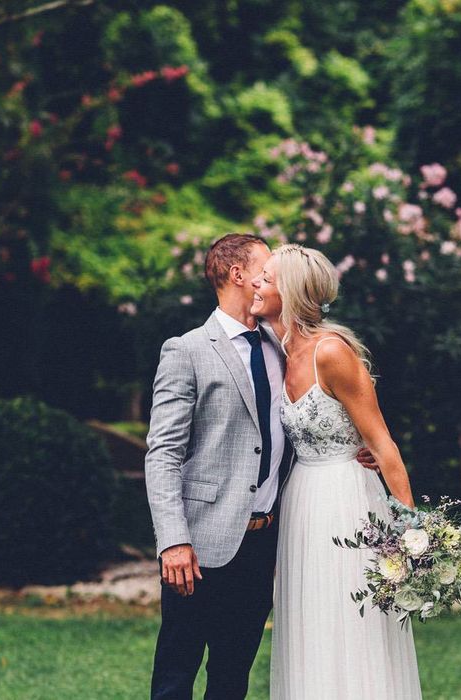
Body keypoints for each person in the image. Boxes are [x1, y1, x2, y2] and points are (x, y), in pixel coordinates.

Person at [144, 233, 376, 700]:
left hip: (265, 542)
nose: (275, 278)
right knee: (177, 672)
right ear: (238, 275)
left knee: (232, 677)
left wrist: (353, 445)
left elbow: (316, 415)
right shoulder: (186, 350)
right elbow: (163, 453)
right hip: (200, 545)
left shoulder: (282, 346)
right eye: (266, 269)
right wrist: (174, 541)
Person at [252, 243, 422, 700]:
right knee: (310, 618)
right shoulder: (277, 351)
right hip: (302, 500)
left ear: (287, 291)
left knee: (349, 621)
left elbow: (382, 442)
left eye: (266, 278)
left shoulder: (332, 352)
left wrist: (412, 535)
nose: (256, 284)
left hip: (346, 500)